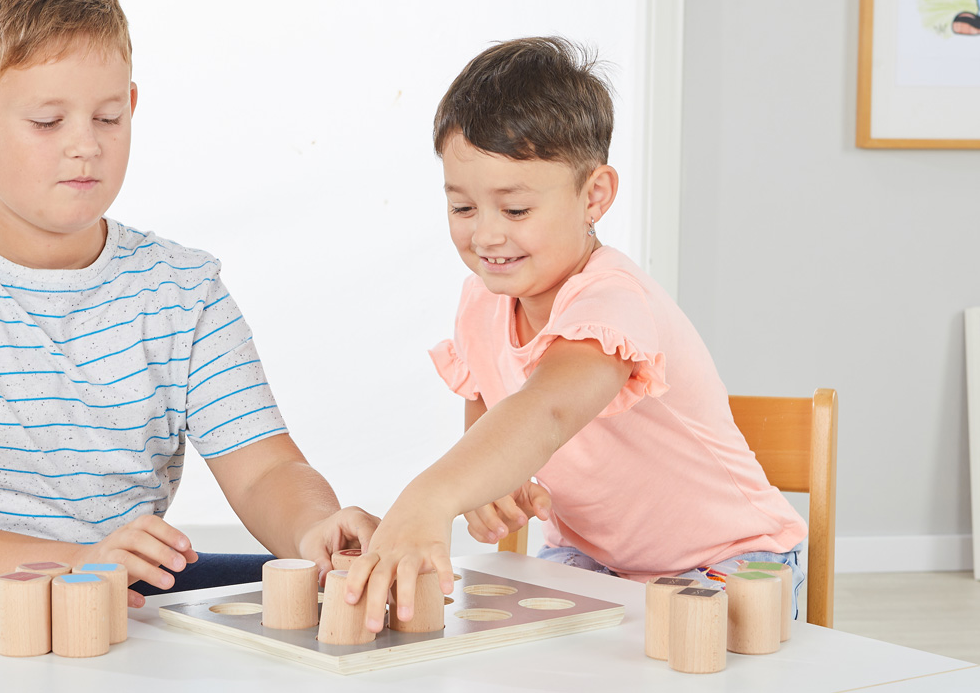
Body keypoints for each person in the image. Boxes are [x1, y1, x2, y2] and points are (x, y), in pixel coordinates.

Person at [0, 0, 374, 636]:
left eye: (108, 117)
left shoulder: (183, 289)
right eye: (48, 122)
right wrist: (79, 564)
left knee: (300, 599)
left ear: (132, 106)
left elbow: (265, 471)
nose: (85, 146)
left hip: (103, 583)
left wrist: (317, 531)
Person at [343, 37, 807, 633]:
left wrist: (427, 497)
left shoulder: (612, 299)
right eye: (462, 209)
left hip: (730, 560)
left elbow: (550, 409)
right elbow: (492, 431)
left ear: (594, 195)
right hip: (597, 561)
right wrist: (489, 489)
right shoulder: (480, 304)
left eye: (514, 211)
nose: (485, 236)